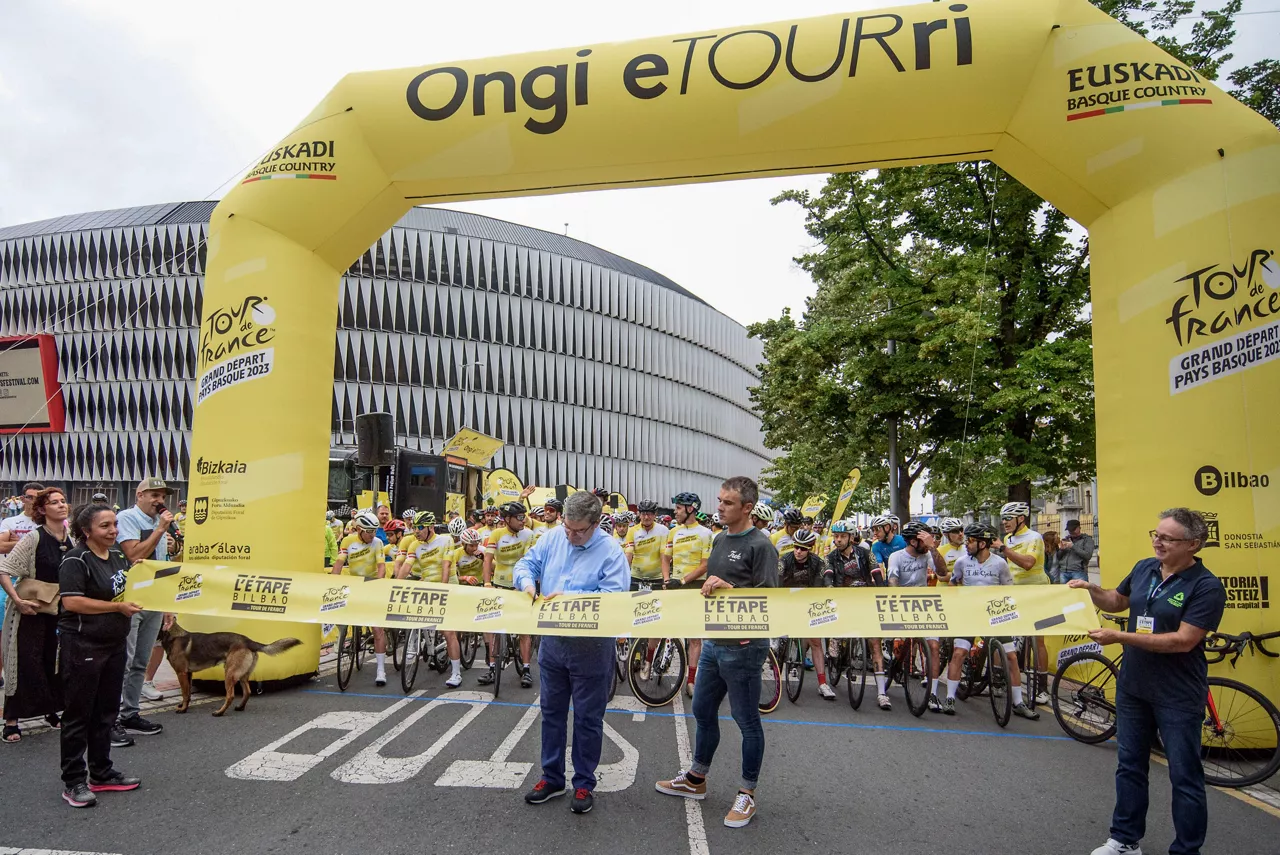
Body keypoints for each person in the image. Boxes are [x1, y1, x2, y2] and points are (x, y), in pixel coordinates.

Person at [1072, 509, 1225, 855]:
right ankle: (1125, 839)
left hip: (1177, 694)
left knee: (1184, 777)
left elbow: (1183, 640)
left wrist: (1120, 637)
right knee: (1129, 766)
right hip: (1133, 688)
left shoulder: (1206, 586)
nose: (1158, 541)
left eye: (1168, 538)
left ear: (1193, 545)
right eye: (1155, 534)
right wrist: (1090, 588)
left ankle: (1186, 850)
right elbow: (1119, 600)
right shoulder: (1144, 567)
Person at [656, 476, 777, 829]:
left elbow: (770, 599)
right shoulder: (721, 538)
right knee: (702, 710)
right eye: (719, 500)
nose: (719, 507)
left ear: (747, 508)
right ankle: (696, 778)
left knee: (746, 720)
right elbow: (710, 578)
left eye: (727, 503)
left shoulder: (761, 545)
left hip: (745, 648)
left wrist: (732, 588)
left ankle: (747, 793)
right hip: (713, 643)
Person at [516, 491, 629, 815]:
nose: (571, 535)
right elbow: (527, 563)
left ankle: (583, 783)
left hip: (591, 647)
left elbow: (613, 598)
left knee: (588, 718)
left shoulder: (611, 552)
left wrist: (570, 597)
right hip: (553, 644)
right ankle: (551, 777)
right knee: (551, 713)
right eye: (568, 527)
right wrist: (526, 582)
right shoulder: (553, 538)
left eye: (579, 531)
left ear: (595, 524)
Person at [58, 503, 143, 807]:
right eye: (105, 526)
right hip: (83, 645)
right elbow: (72, 603)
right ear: (86, 531)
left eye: (114, 524)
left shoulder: (119, 555)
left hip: (114, 644)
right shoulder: (75, 559)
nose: (113, 531)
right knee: (79, 715)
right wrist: (116, 608)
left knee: (106, 712)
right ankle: (74, 781)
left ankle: (102, 772)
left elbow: (128, 588)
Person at [940, 523, 1038, 718]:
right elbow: (952, 582)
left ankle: (1018, 702)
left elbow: (1007, 589)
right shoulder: (962, 563)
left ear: (983, 544)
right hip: (969, 615)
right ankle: (950, 698)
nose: (967, 544)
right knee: (959, 653)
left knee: (1010, 657)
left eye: (971, 541)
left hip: (994, 615)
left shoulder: (1000, 563)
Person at [1, 487, 71, 742]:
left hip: (60, 610)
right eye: (55, 502)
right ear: (42, 509)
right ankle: (11, 720)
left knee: (53, 662)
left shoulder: (71, 536)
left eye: (63, 501)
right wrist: (18, 601)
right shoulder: (34, 537)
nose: (62, 505)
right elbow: (3, 569)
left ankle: (51, 711)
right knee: (23, 662)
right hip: (31, 610)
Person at [114, 477, 177, 741]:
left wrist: (167, 605)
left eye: (162, 496)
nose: (159, 501)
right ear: (139, 495)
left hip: (154, 599)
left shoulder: (158, 525)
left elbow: (161, 566)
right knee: (124, 661)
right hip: (131, 599)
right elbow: (133, 554)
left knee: (141, 659)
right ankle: (113, 717)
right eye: (153, 495)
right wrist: (161, 531)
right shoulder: (128, 518)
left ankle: (131, 712)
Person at [886, 522, 951, 713]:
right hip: (903, 602)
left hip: (925, 604)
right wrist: (897, 599)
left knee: (933, 646)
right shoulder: (896, 556)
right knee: (902, 649)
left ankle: (932, 693)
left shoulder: (928, 553)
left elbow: (942, 573)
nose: (928, 543)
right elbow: (892, 580)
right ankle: (895, 662)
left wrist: (933, 548)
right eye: (925, 540)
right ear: (913, 541)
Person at [995, 501, 1050, 704]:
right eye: (1003, 518)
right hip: (1014, 593)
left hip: (1036, 592)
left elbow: (1028, 563)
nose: (1005, 522)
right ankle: (999, 680)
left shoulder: (1034, 537)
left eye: (1008, 518)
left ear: (1021, 519)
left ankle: (1043, 688)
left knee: (1038, 640)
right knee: (1003, 636)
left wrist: (1003, 548)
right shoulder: (1008, 538)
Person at [479, 502, 536, 689]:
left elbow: (529, 561)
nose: (523, 520)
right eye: (519, 517)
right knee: (493, 625)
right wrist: (487, 583)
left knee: (523, 629)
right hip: (500, 583)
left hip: (520, 585)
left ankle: (526, 669)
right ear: (507, 519)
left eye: (524, 517)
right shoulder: (496, 534)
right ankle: (492, 667)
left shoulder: (529, 534)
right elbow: (487, 560)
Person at [331, 510, 389, 686]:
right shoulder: (348, 541)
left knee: (377, 629)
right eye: (369, 532)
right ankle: (340, 640)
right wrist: (332, 583)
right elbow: (339, 564)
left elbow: (381, 568)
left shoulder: (377, 543)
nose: (372, 535)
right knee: (339, 613)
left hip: (371, 584)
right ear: (358, 530)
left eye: (374, 531)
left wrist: (377, 585)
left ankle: (380, 670)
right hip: (355, 586)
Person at [663, 492, 713, 697]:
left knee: (694, 638)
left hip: (694, 586)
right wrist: (667, 580)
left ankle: (691, 680)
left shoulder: (705, 533)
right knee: (663, 627)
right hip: (674, 584)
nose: (675, 511)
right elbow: (666, 558)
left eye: (678, 508)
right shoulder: (673, 532)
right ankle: (651, 660)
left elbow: (705, 565)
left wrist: (682, 581)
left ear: (690, 509)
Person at [777, 528, 836, 700]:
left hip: (808, 601)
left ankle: (823, 684)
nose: (798, 551)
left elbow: (820, 584)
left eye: (802, 548)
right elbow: (778, 583)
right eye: (796, 547)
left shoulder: (818, 562)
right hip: (787, 599)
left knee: (816, 642)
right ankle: (778, 674)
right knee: (782, 640)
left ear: (809, 548)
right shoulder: (785, 560)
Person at [0, 482, 43, 555]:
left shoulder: (48, 522)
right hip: (14, 565)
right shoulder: (9, 522)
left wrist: (18, 542)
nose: (34, 501)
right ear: (22, 499)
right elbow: (1, 547)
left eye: (38, 498)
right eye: (30, 497)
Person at [1057, 519, 1096, 584]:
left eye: (1073, 530)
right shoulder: (1066, 539)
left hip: (1079, 572)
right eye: (1069, 530)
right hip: (1063, 572)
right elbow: (1058, 557)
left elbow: (1088, 555)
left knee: (1080, 593)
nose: (1071, 532)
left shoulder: (1087, 540)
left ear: (1079, 528)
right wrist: (1061, 550)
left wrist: (1073, 546)